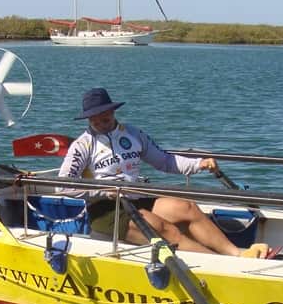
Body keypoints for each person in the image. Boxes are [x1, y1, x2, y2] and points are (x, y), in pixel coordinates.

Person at [57, 87, 268, 257]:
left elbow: (165, 161)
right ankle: (219, 265)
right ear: (88, 119)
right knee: (164, 228)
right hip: (106, 211)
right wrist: (103, 191)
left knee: (187, 207)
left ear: (113, 112)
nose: (101, 124)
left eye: (105, 118)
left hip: (135, 196)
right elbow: (62, 186)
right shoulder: (82, 146)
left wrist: (199, 164)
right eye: (95, 120)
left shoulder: (132, 134)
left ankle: (237, 255)